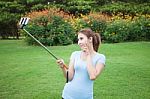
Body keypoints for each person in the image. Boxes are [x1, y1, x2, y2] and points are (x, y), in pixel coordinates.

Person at [57, 28, 106, 99]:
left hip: (85, 97)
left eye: (81, 38)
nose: (79, 42)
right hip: (67, 95)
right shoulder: (75, 54)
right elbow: (69, 77)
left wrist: (88, 55)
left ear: (90, 39)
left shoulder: (100, 57)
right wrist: (63, 67)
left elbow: (92, 76)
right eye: (78, 39)